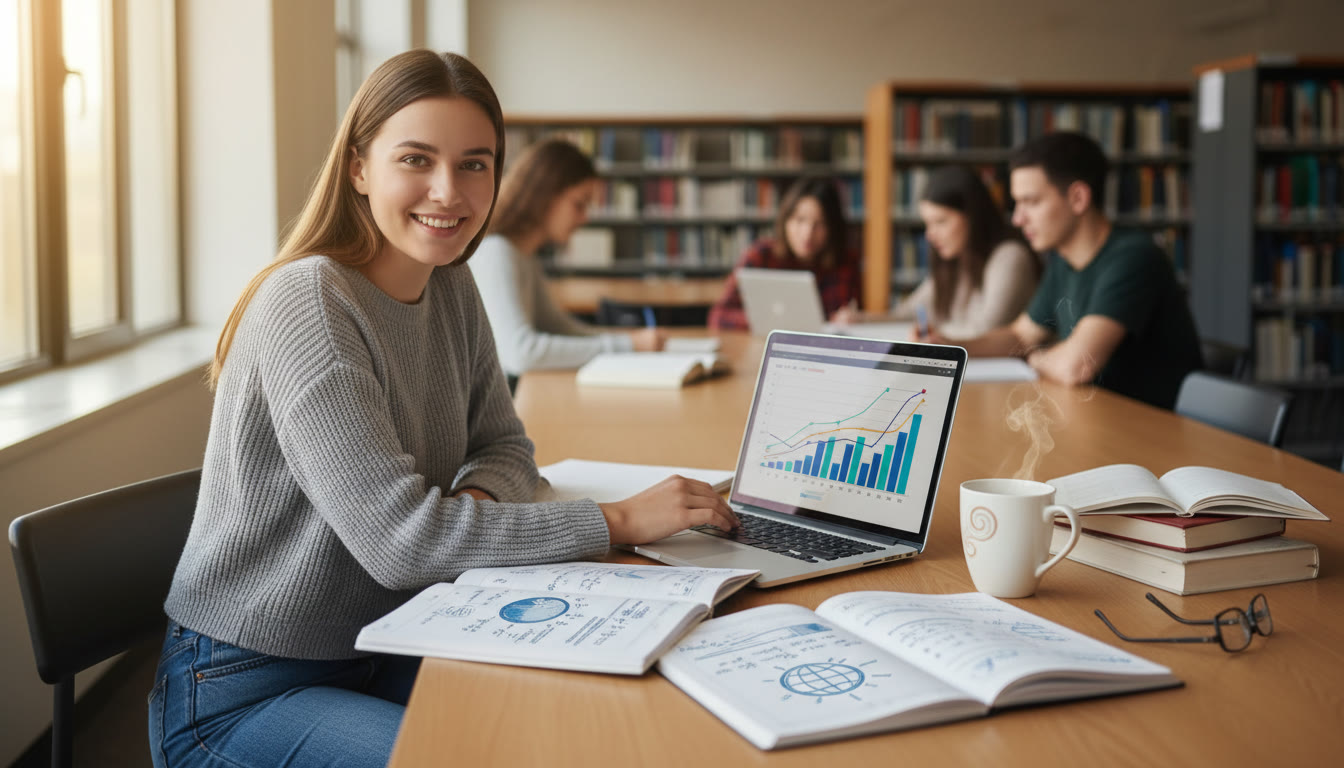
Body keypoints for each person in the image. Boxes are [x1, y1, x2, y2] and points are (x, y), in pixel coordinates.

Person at [149, 50, 736, 768]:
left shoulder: (452, 286)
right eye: (417, 159)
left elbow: (506, 447)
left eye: (475, 164)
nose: (447, 191)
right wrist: (615, 521)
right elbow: (402, 544)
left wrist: (473, 509)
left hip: (397, 632)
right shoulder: (311, 300)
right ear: (360, 167)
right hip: (248, 686)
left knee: (588, 720)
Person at [944, 131, 1201, 409]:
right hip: (1098, 417)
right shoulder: (1063, 262)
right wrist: (951, 347)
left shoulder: (1134, 257)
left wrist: (1032, 358)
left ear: (1078, 198)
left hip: (1156, 432)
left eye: (1031, 202)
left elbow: (1076, 366)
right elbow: (1020, 336)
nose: (1018, 219)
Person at [469, 138, 664, 376]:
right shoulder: (496, 251)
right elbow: (520, 353)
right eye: (579, 204)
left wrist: (629, 342)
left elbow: (559, 328)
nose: (584, 218)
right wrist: (628, 345)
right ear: (544, 195)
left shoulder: (524, 255)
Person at [877, 165, 1039, 340]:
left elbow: (987, 330)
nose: (929, 235)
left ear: (973, 218)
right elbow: (911, 311)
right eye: (927, 224)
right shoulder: (954, 260)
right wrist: (861, 319)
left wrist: (935, 334)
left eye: (941, 222)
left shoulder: (1010, 257)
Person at [707, 176, 861, 330]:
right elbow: (719, 316)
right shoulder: (761, 256)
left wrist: (854, 318)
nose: (807, 233)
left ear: (833, 228)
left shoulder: (846, 261)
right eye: (800, 220)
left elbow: (861, 312)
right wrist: (764, 320)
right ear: (785, 220)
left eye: (820, 223)